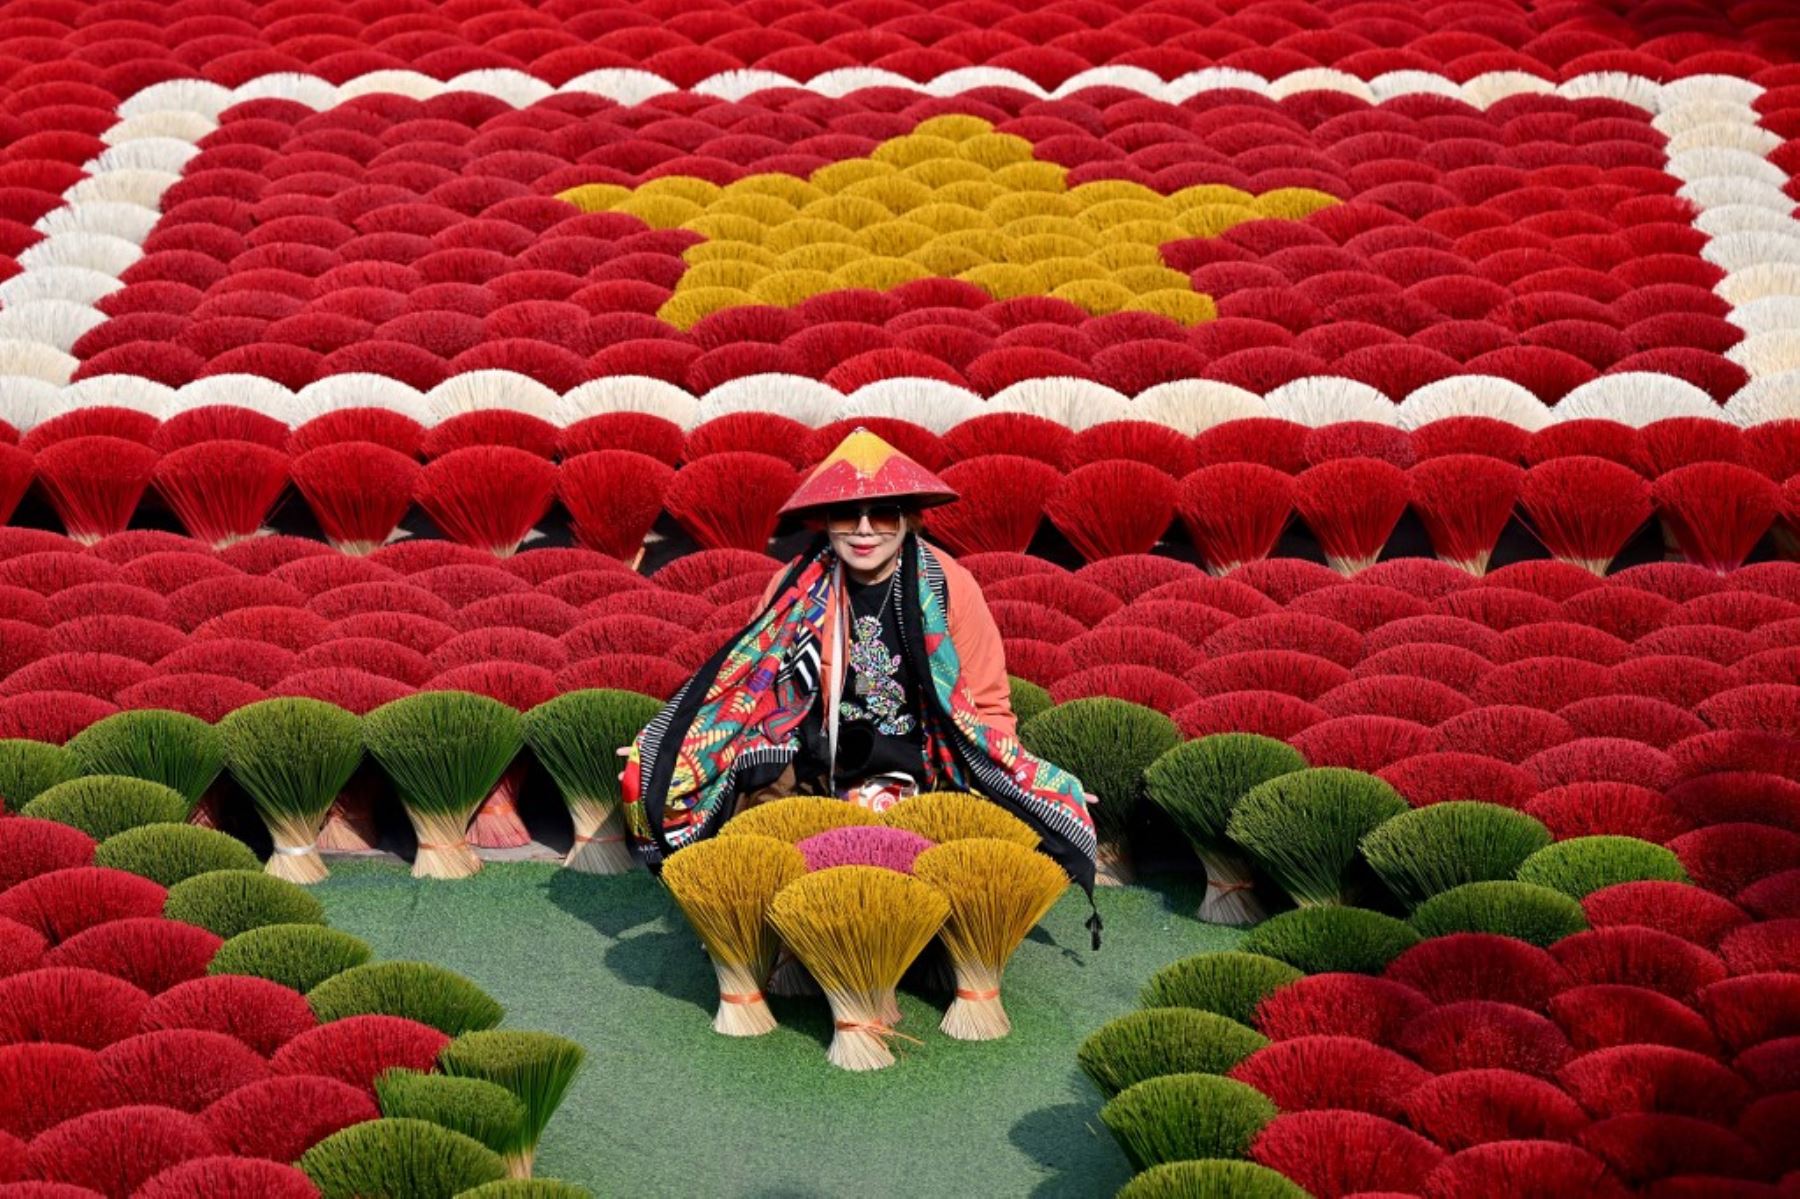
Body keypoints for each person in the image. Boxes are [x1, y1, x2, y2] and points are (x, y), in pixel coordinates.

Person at [620, 429, 1100, 907]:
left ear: (909, 519)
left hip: (926, 768)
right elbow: (748, 689)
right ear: (827, 522)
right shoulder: (792, 587)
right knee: (755, 841)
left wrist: (1026, 779)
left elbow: (989, 705)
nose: (865, 530)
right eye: (848, 513)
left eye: (883, 514)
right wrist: (664, 751)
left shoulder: (952, 586)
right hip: (815, 771)